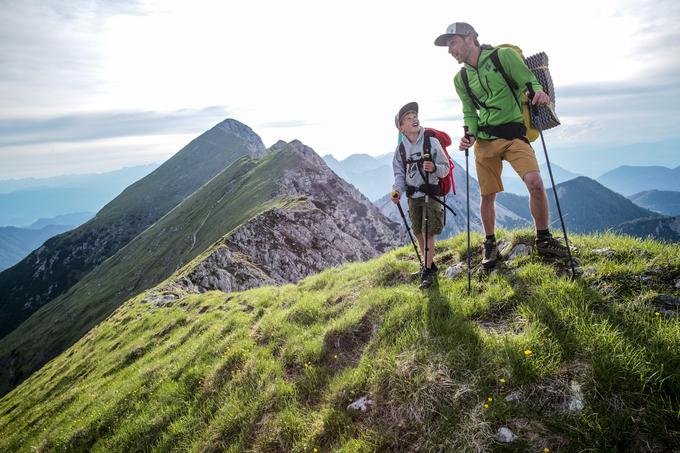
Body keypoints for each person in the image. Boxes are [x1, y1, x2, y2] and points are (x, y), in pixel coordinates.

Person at [434, 22, 569, 268]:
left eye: (452, 42)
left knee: (536, 184)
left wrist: (538, 93)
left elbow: (528, 82)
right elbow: (469, 112)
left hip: (515, 135)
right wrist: (470, 135)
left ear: (470, 38)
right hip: (484, 141)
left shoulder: (502, 57)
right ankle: (490, 244)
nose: (449, 50)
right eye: (447, 45)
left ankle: (543, 239)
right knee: (487, 196)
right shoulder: (461, 78)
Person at [391, 102, 450, 289]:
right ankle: (429, 265)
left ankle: (427, 271)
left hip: (430, 194)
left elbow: (445, 168)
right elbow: (399, 175)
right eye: (408, 118)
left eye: (414, 116)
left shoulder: (431, 142)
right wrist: (396, 191)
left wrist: (434, 168)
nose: (414, 119)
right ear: (401, 127)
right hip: (412, 196)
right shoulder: (400, 149)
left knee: (428, 232)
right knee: (418, 232)